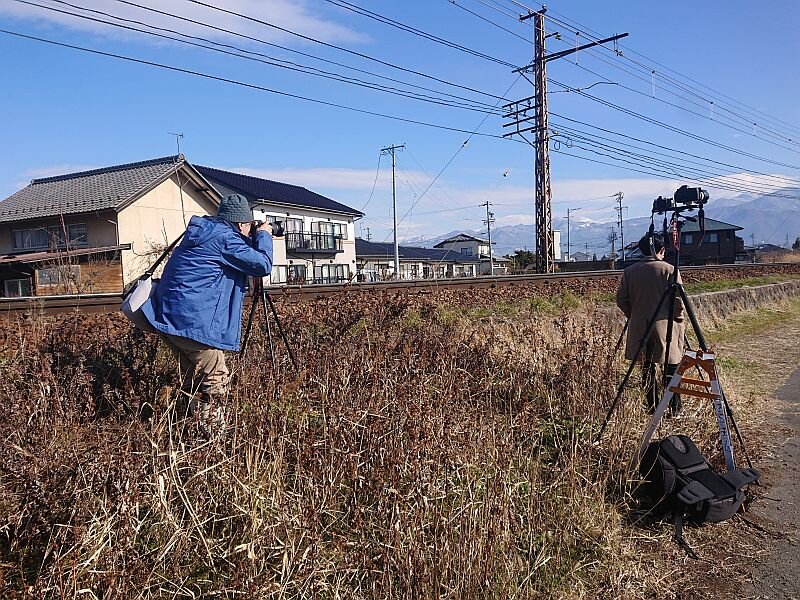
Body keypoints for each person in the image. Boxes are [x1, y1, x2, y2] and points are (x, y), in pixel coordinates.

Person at [141, 193, 274, 424]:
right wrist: (264, 235)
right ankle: (212, 436)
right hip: (192, 321)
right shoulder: (225, 239)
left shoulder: (206, 232)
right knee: (214, 375)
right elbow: (262, 265)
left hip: (170, 316)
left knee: (194, 377)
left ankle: (187, 427)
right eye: (249, 226)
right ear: (241, 223)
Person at [616, 233, 684, 414]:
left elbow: (621, 300)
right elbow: (678, 301)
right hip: (666, 325)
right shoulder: (670, 270)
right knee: (671, 365)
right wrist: (678, 318)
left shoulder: (629, 272)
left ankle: (653, 406)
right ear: (662, 250)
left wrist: (635, 314)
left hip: (640, 326)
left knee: (647, 367)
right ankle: (674, 407)